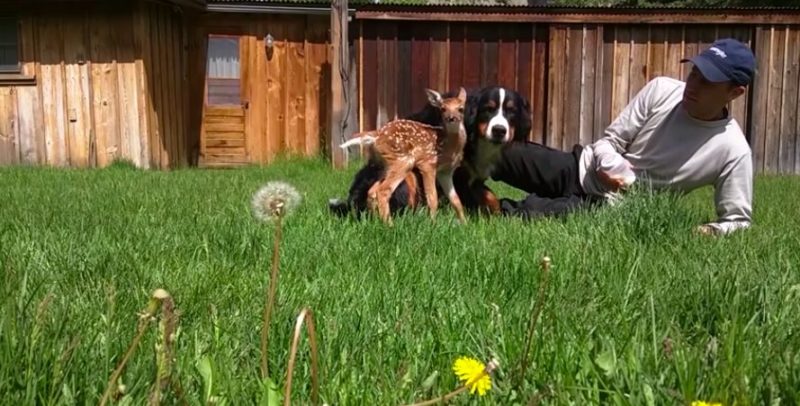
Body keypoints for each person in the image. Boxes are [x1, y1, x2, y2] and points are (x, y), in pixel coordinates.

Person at [492, 38, 756, 236]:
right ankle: (453, 176)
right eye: (693, 73)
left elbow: (739, 221)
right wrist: (611, 165)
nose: (692, 86)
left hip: (614, 208)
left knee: (526, 213)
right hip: (581, 167)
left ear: (735, 92)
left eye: (707, 81)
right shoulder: (662, 90)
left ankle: (474, 205)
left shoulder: (733, 151)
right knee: (500, 153)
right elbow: (610, 141)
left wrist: (708, 231)